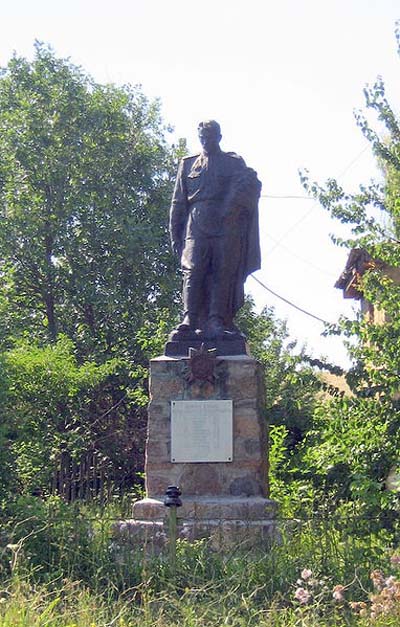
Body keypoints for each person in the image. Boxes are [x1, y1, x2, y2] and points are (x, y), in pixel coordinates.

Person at [169, 120, 261, 341]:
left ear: (219, 137)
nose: (206, 141)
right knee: (193, 270)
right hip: (196, 221)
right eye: (202, 137)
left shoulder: (233, 163)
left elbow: (252, 185)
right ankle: (189, 318)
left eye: (210, 136)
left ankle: (216, 320)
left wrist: (235, 203)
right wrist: (174, 234)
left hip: (225, 224)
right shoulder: (188, 164)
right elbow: (178, 202)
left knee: (223, 271)